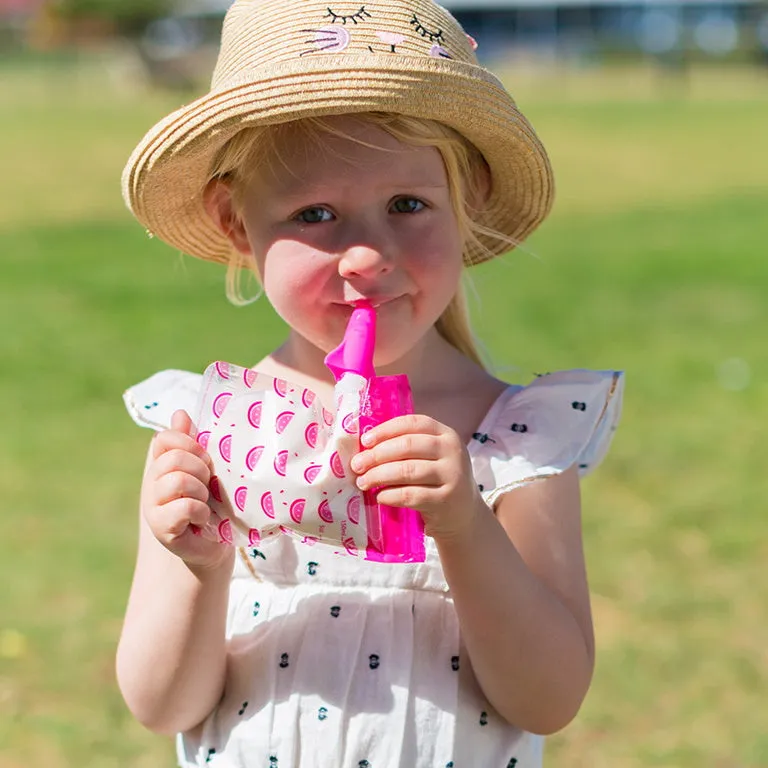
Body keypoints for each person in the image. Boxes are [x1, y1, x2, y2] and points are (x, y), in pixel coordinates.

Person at [117, 1, 624, 766]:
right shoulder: (206, 429)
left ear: (469, 201)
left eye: (408, 205)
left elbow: (547, 699)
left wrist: (462, 526)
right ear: (234, 223)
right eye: (315, 213)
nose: (365, 254)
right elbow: (164, 705)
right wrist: (202, 565)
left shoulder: (517, 439)